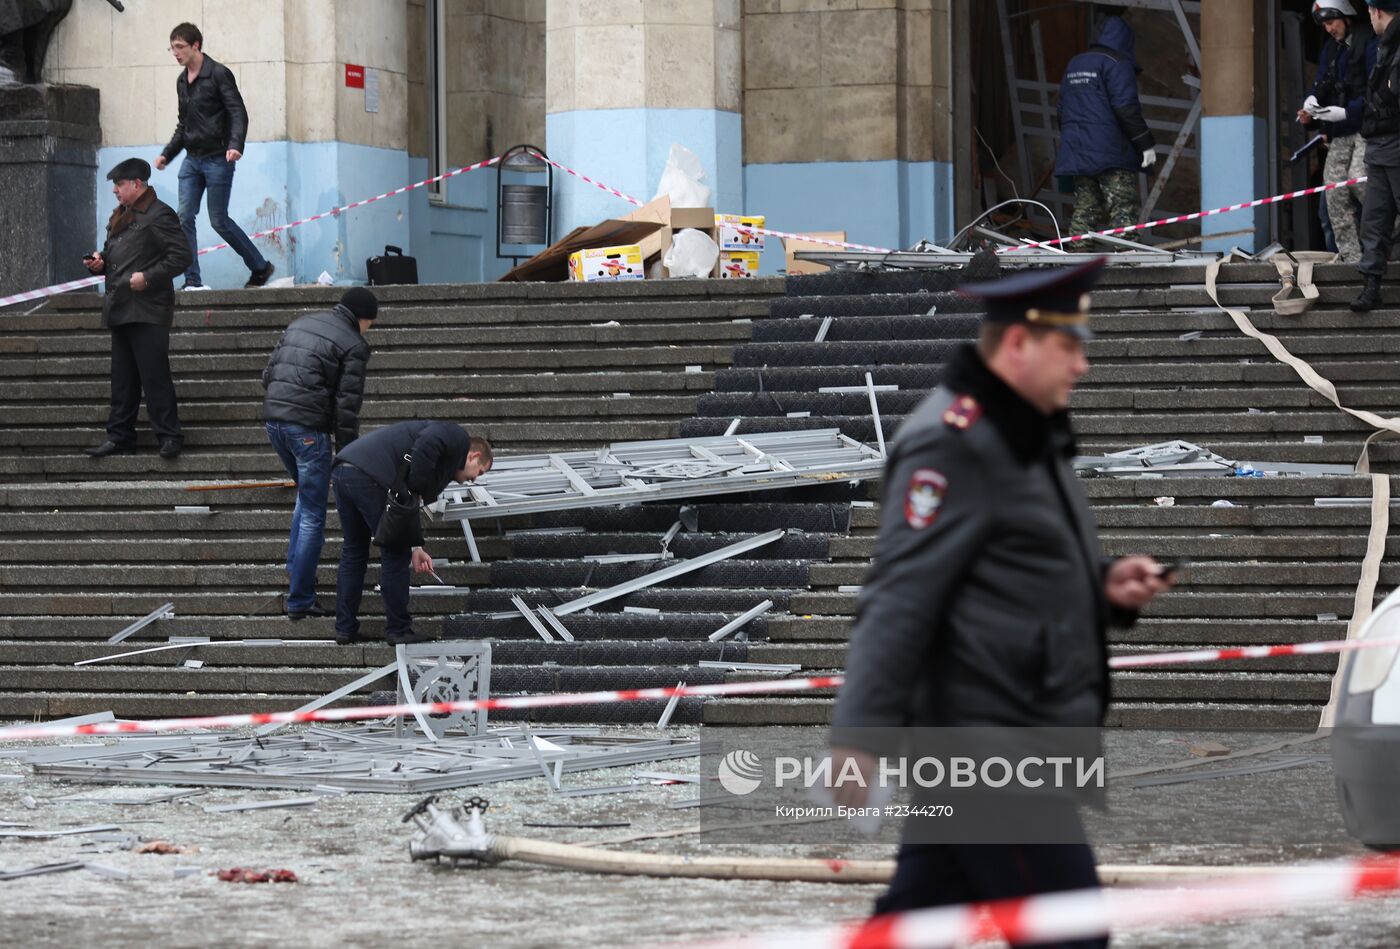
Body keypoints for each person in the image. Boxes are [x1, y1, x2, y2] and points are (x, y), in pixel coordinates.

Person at [829, 259, 1174, 948]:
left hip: (1010, 728)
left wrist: (1104, 584)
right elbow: (901, 595)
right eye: (1069, 347)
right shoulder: (953, 441)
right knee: (1071, 936)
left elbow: (1014, 566)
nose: (1082, 366)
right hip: (991, 743)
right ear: (1020, 344)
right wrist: (858, 737)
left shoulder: (1022, 428)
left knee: (912, 923)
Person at [261, 287, 380, 621]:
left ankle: (297, 572)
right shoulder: (354, 344)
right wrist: (347, 455)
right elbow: (347, 407)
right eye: (371, 322)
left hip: (274, 423)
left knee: (305, 499)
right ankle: (300, 599)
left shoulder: (300, 323)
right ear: (364, 318)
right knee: (314, 511)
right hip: (307, 430)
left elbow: (268, 375)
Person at [331, 422, 492, 646]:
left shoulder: (440, 455)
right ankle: (398, 629)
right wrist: (417, 486)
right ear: (474, 456)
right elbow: (427, 444)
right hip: (370, 475)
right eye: (479, 472)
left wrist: (416, 547)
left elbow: (408, 504)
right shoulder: (457, 436)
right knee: (395, 551)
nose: (475, 479)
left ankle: (345, 628)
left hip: (344, 470)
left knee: (354, 550)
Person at [82, 158, 193, 460]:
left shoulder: (159, 214)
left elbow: (182, 256)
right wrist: (100, 261)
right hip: (121, 307)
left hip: (148, 309)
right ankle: (119, 437)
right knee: (123, 379)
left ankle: (169, 436)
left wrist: (149, 277)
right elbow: (118, 254)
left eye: (119, 184)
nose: (115, 190)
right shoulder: (122, 215)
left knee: (154, 376)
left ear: (137, 184)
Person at [153, 22, 275, 291]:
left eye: (180, 47)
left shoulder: (218, 74)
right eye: (172, 48)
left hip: (219, 158)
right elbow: (183, 124)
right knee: (183, 216)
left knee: (219, 221)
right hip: (191, 160)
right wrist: (167, 154)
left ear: (196, 45)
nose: (175, 53)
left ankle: (260, 267)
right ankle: (192, 281)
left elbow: (237, 112)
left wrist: (235, 145)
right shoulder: (182, 81)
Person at [1054, 15, 1156, 240]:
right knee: (1121, 207)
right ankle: (1127, 259)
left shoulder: (1075, 63)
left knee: (1085, 207)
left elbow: (1061, 110)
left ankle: (1077, 256)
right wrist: (1145, 144)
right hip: (1110, 151)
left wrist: (1074, 140)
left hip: (1078, 149)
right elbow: (1126, 107)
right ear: (1125, 39)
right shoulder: (1117, 63)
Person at [1299, 1, 1375, 263]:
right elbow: (1321, 83)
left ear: (1345, 15)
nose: (1328, 28)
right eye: (1324, 24)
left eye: (1332, 21)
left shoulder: (1370, 41)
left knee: (1360, 180)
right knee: (1334, 191)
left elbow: (1376, 93)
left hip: (1368, 129)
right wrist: (1311, 105)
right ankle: (1352, 259)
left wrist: (1346, 112)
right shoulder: (1331, 49)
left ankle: (1387, 238)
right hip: (1340, 132)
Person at [1353, 0, 1400, 311]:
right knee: (1374, 220)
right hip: (1380, 147)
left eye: (1369, 12)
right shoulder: (1387, 43)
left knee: (1376, 219)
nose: (1369, 18)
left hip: (1395, 145)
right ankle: (1371, 285)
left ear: (1378, 11)